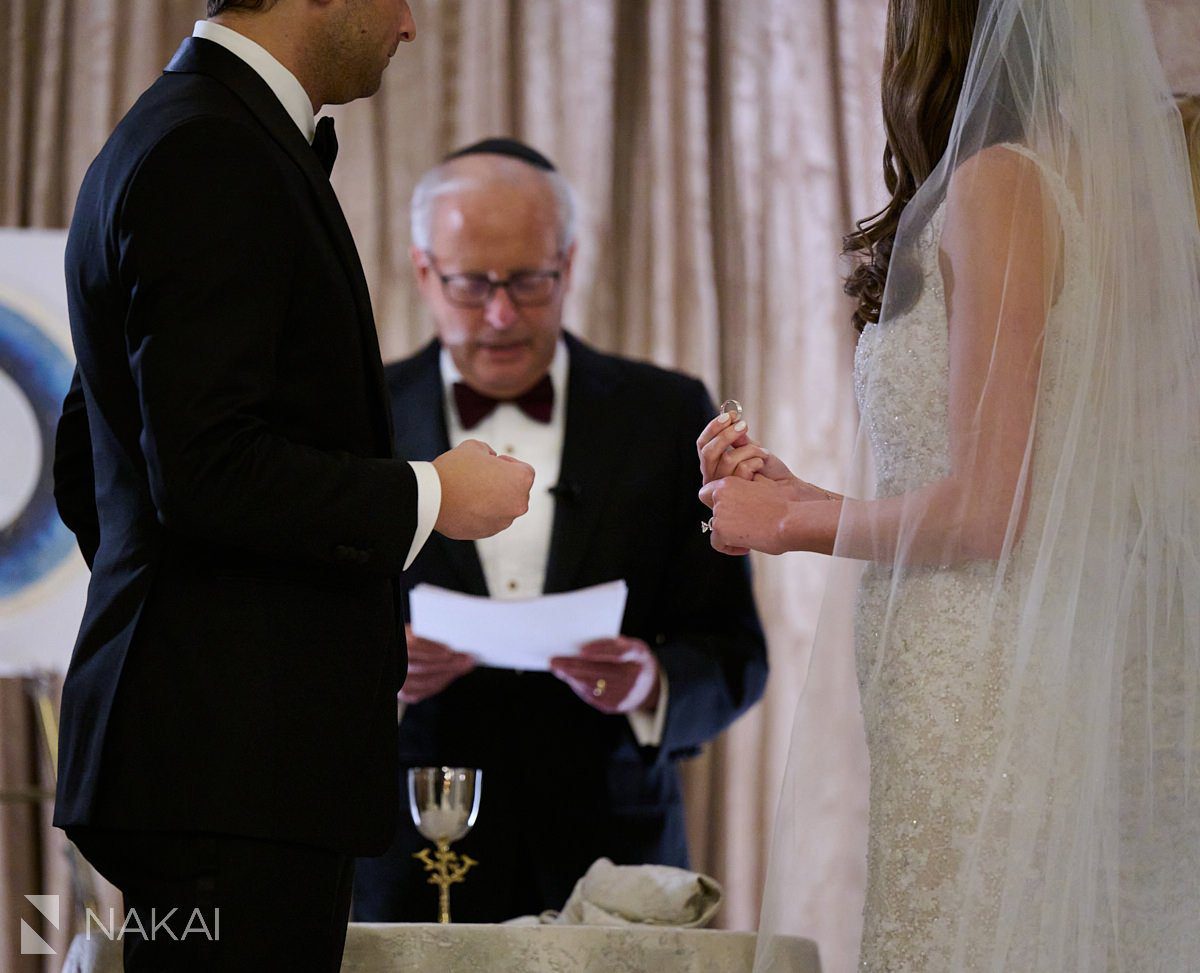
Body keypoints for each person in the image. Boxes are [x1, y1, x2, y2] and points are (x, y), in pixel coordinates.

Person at [699, 1, 1200, 970]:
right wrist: (796, 492)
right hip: (989, 656)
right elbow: (1017, 471)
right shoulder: (1068, 186)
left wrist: (792, 523)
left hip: (991, 670)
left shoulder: (1000, 185)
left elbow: (989, 509)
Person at [51, 3, 534, 971]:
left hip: (216, 760)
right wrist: (433, 497)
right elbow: (207, 469)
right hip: (232, 774)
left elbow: (88, 462)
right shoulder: (212, 151)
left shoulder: (189, 128)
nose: (408, 24)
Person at [351, 138, 768, 923]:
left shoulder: (668, 413)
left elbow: (736, 651)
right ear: (422, 272)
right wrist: (371, 668)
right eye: (472, 284)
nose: (502, 314)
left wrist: (653, 684)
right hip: (411, 860)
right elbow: (288, 639)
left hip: (617, 858)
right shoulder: (359, 418)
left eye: (531, 281)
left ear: (570, 265)